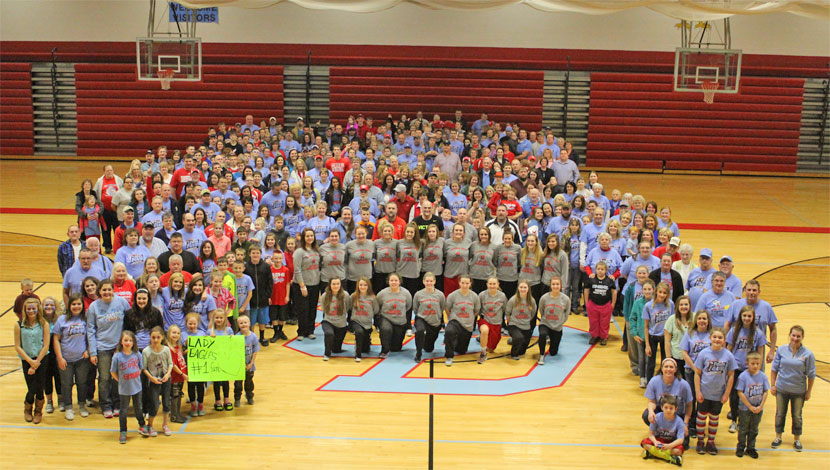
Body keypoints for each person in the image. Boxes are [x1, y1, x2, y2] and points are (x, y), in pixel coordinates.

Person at [87, 279, 129, 418]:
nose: (107, 292)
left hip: (119, 347)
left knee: (117, 377)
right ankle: (105, 405)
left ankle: (117, 403)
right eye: (104, 290)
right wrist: (93, 351)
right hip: (102, 347)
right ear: (99, 291)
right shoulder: (94, 307)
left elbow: (129, 322)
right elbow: (91, 330)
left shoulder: (122, 302)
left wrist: (126, 345)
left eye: (109, 289)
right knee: (104, 378)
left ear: (113, 290)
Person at [770, 325, 815, 452]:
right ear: (789, 335)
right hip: (782, 389)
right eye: (793, 335)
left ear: (802, 337)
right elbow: (774, 369)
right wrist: (773, 385)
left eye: (798, 336)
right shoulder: (781, 350)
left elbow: (811, 375)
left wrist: (809, 391)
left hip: (799, 391)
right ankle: (778, 437)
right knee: (780, 414)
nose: (795, 338)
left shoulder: (808, 354)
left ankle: (797, 439)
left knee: (797, 416)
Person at [692, 328, 737, 455]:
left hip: (719, 394)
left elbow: (731, 375)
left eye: (720, 338)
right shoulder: (704, 354)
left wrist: (727, 393)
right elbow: (697, 374)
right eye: (715, 337)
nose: (717, 340)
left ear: (724, 340)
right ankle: (700, 440)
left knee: (714, 418)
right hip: (704, 392)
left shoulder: (728, 355)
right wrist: (698, 391)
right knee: (701, 417)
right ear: (710, 338)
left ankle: (711, 441)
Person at [725, 305, 766, 434]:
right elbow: (729, 349)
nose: (747, 318)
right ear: (740, 317)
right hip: (736, 367)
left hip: (750, 370)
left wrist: (758, 368)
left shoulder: (758, 333)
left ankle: (742, 421)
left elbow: (760, 351)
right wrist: (727, 366)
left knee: (747, 395)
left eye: (749, 316)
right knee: (734, 395)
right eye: (744, 316)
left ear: (753, 318)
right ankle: (733, 420)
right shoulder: (734, 331)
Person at [15, 298, 51, 424]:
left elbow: (46, 345)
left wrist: (37, 362)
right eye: (28, 308)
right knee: (31, 387)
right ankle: (27, 408)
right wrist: (30, 362)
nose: (31, 311)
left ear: (38, 309)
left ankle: (38, 411)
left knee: (40, 386)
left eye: (33, 308)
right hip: (27, 360)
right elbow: (18, 346)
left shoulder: (44, 324)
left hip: (41, 359)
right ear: (25, 310)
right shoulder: (19, 325)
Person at [110, 330, 148, 443]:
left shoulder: (137, 354)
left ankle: (142, 425)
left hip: (137, 387)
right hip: (124, 389)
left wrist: (134, 377)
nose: (128, 342)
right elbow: (112, 372)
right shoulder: (117, 356)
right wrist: (120, 380)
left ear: (133, 342)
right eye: (125, 340)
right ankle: (123, 431)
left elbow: (141, 368)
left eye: (130, 340)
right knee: (124, 411)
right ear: (121, 342)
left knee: (138, 408)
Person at [679, 310, 712, 437]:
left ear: (708, 321)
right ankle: (691, 425)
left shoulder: (711, 334)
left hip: (708, 373)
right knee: (691, 398)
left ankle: (701, 425)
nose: (702, 321)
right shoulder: (690, 333)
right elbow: (684, 352)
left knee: (702, 398)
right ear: (696, 320)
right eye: (700, 318)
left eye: (704, 318)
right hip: (690, 370)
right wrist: (694, 367)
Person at [735, 352, 769, 459]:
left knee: (754, 429)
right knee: (743, 428)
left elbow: (765, 391)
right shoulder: (743, 376)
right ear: (747, 363)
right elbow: (740, 392)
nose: (755, 366)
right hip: (745, 408)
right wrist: (750, 406)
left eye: (757, 364)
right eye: (752, 363)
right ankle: (740, 447)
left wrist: (760, 406)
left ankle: (751, 448)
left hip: (758, 409)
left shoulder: (763, 376)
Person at [141, 326, 173, 437]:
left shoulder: (166, 350)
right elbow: (143, 368)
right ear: (150, 337)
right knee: (154, 404)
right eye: (153, 337)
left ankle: (165, 424)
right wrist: (151, 378)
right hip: (154, 380)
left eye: (158, 337)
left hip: (165, 379)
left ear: (162, 337)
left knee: (166, 402)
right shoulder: (146, 351)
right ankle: (150, 425)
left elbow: (170, 364)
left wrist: (168, 374)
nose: (155, 340)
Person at [443, 275, 481, 366]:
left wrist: (468, 318)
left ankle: (454, 341)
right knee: (449, 331)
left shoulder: (475, 296)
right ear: (459, 283)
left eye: (467, 283)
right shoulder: (453, 295)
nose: (464, 285)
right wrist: (452, 317)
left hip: (467, 326)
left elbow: (476, 312)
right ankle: (449, 356)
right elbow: (447, 309)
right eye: (462, 283)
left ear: (470, 284)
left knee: (461, 351)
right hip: (455, 321)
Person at [293, 228, 322, 341]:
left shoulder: (316, 250)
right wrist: (302, 286)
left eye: (311, 236)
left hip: (315, 284)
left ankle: (310, 331)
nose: (310, 238)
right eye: (307, 236)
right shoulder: (299, 252)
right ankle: (301, 331)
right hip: (302, 285)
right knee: (303, 309)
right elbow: (297, 269)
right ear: (303, 238)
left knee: (312, 309)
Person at [640, 395, 685, 467]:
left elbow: (680, 439)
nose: (668, 410)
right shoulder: (656, 417)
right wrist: (655, 442)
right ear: (661, 407)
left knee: (678, 450)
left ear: (675, 409)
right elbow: (651, 434)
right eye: (666, 408)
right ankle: (670, 458)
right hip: (658, 441)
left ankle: (653, 454)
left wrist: (670, 446)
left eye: (671, 408)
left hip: (670, 442)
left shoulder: (679, 421)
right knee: (645, 443)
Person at [376, 273, 413, 358]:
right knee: (386, 329)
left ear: (399, 282)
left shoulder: (406, 293)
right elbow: (378, 306)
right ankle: (384, 351)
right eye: (391, 280)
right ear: (388, 282)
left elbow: (408, 306)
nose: (393, 282)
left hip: (400, 321)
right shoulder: (382, 294)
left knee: (396, 348)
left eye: (396, 280)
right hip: (386, 318)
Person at [643, 282, 675, 380]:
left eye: (664, 293)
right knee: (651, 363)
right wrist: (647, 345)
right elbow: (646, 326)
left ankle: (664, 381)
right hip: (653, 336)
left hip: (665, 337)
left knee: (665, 361)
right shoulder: (648, 306)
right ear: (656, 292)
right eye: (660, 292)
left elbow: (672, 321)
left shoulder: (671, 304)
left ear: (667, 294)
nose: (662, 295)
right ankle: (649, 383)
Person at [537, 276, 570, 365]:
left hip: (557, 326)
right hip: (545, 323)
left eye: (557, 284)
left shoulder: (566, 299)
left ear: (561, 285)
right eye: (553, 284)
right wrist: (546, 320)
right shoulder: (544, 298)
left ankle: (551, 340)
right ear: (550, 285)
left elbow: (566, 314)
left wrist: (559, 323)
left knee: (553, 352)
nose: (555, 286)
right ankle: (541, 354)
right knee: (542, 334)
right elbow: (541, 310)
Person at [244, 246, 273, 346]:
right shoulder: (246, 266)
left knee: (262, 319)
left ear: (260, 254)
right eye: (253, 253)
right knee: (251, 321)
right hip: (251, 299)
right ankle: (252, 338)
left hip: (263, 297)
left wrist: (268, 295)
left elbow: (270, 282)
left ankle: (262, 337)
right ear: (249, 254)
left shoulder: (265, 266)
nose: (255, 255)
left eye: (257, 253)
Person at [583, 261, 616, 346]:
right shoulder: (591, 279)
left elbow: (614, 292)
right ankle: (594, 336)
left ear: (606, 270)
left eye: (602, 269)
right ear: (595, 269)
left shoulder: (609, 280)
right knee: (593, 321)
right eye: (598, 269)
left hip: (605, 305)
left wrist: (613, 304)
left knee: (604, 322)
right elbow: (586, 290)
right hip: (593, 304)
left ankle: (603, 337)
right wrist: (586, 302)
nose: (600, 271)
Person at [208, 309, 234, 411]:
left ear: (225, 319)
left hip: (225, 360)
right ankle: (217, 400)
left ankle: (226, 399)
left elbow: (234, 345)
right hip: (215, 361)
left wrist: (232, 339)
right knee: (217, 382)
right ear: (213, 319)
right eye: (217, 317)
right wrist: (209, 338)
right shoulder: (210, 331)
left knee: (225, 381)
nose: (219, 319)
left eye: (221, 318)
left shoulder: (229, 330)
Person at [505, 279, 536, 360]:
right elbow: (507, 313)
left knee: (522, 351)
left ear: (528, 288)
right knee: (519, 338)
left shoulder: (532, 301)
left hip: (526, 326)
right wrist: (511, 322)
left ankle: (513, 340)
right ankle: (513, 354)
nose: (523, 289)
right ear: (518, 288)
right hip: (514, 325)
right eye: (521, 287)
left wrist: (526, 321)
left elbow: (533, 313)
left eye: (525, 287)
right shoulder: (513, 299)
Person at [319, 278, 350, 361]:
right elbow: (324, 310)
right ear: (330, 285)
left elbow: (347, 307)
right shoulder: (325, 296)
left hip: (341, 324)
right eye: (333, 284)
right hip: (328, 321)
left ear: (340, 285)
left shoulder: (345, 295)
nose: (336, 286)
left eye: (337, 284)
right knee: (329, 333)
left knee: (336, 350)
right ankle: (326, 354)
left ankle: (335, 346)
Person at [234, 315, 260, 407]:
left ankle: (249, 396)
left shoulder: (253, 337)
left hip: (250, 365)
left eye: (245, 323)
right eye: (241, 323)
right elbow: (235, 352)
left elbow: (255, 351)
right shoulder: (236, 337)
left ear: (249, 324)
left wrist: (251, 363)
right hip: (239, 366)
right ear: (238, 325)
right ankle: (237, 398)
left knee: (249, 382)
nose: (243, 325)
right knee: (238, 384)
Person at [664, 296, 692, 379]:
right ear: (677, 306)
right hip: (677, 356)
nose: (684, 307)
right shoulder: (671, 319)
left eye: (686, 304)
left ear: (690, 306)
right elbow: (667, 341)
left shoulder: (695, 318)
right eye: (681, 305)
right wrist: (669, 359)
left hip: (691, 357)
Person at [165, 325, 188, 423]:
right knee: (174, 395)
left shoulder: (178, 347)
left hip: (180, 377)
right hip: (175, 376)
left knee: (178, 395)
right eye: (173, 333)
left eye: (178, 333)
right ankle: (174, 416)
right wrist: (182, 374)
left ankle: (177, 413)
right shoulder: (168, 349)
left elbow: (179, 358)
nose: (176, 335)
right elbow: (173, 365)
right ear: (169, 334)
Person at [268, 251, 291, 342]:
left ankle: (280, 331)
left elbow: (288, 284)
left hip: (283, 297)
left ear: (282, 259)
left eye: (280, 258)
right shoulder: (270, 269)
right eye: (276, 258)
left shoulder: (286, 270)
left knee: (282, 317)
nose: (278, 260)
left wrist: (287, 296)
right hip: (273, 297)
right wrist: (268, 297)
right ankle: (275, 333)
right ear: (272, 259)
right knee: (273, 317)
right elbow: (267, 284)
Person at [442, 224, 471, 297]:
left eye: (460, 230)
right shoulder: (447, 243)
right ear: (452, 232)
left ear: (464, 233)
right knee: (448, 298)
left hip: (463, 277)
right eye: (456, 230)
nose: (458, 232)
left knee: (462, 298)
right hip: (449, 276)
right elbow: (444, 256)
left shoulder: (468, 242)